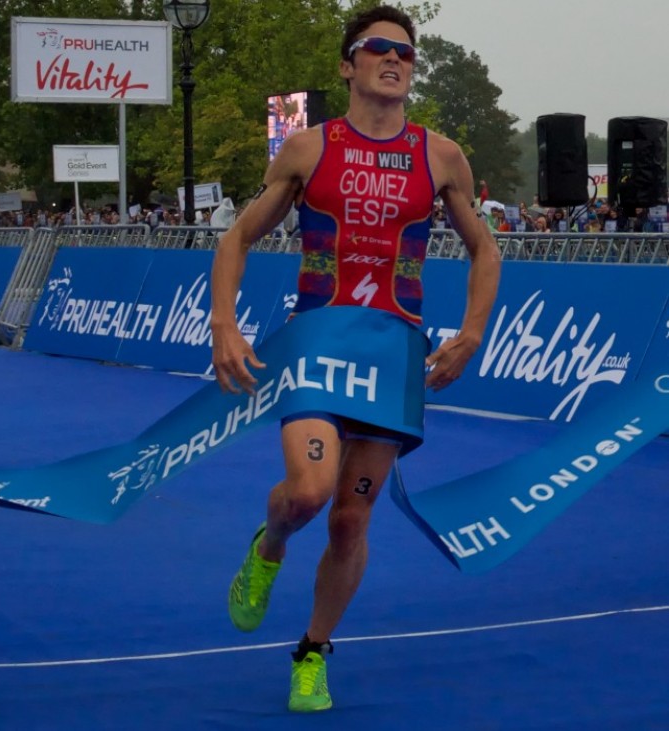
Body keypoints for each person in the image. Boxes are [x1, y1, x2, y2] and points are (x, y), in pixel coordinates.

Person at [209, 6, 500, 713]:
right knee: (307, 495)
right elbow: (237, 238)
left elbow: (485, 248)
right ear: (348, 65)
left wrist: (469, 332)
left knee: (349, 520)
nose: (393, 59)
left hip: (394, 350)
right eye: (377, 48)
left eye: (405, 52)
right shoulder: (308, 149)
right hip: (317, 340)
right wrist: (224, 321)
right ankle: (269, 542)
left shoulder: (442, 156)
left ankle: (312, 651)